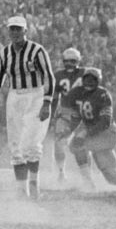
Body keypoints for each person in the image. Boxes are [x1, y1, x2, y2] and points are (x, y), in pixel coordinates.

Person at [0, 15, 55, 200]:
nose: (15, 32)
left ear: (25, 30)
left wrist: (47, 101)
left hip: (36, 94)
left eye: (18, 29)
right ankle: (22, 191)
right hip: (15, 95)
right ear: (8, 31)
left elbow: (48, 76)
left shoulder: (37, 51)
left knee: (31, 144)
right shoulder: (4, 53)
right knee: (15, 145)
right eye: (12, 29)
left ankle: (34, 185)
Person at [49, 47, 86, 183]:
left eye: (73, 61)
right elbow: (54, 98)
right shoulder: (58, 75)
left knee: (82, 145)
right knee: (58, 143)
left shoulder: (86, 73)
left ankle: (86, 175)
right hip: (65, 113)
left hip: (83, 115)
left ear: (78, 61)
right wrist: (51, 115)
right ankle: (61, 172)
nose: (69, 64)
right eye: (67, 61)